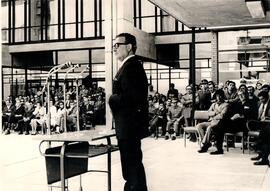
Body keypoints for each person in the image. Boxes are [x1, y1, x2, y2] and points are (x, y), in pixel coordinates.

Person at [109, 33, 149, 191]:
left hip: (129, 126)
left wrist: (111, 98)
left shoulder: (131, 67)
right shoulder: (130, 66)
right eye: (114, 45)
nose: (114, 48)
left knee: (131, 167)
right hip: (128, 126)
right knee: (134, 166)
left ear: (129, 46)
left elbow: (130, 98)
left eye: (117, 45)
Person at [196, 89, 230, 154]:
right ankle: (206, 143)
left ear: (223, 96)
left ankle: (205, 145)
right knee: (199, 125)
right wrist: (215, 113)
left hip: (219, 123)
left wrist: (214, 115)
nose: (219, 97)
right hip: (211, 121)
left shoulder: (226, 105)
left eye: (220, 96)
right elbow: (208, 113)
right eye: (217, 96)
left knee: (209, 128)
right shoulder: (213, 104)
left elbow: (222, 116)